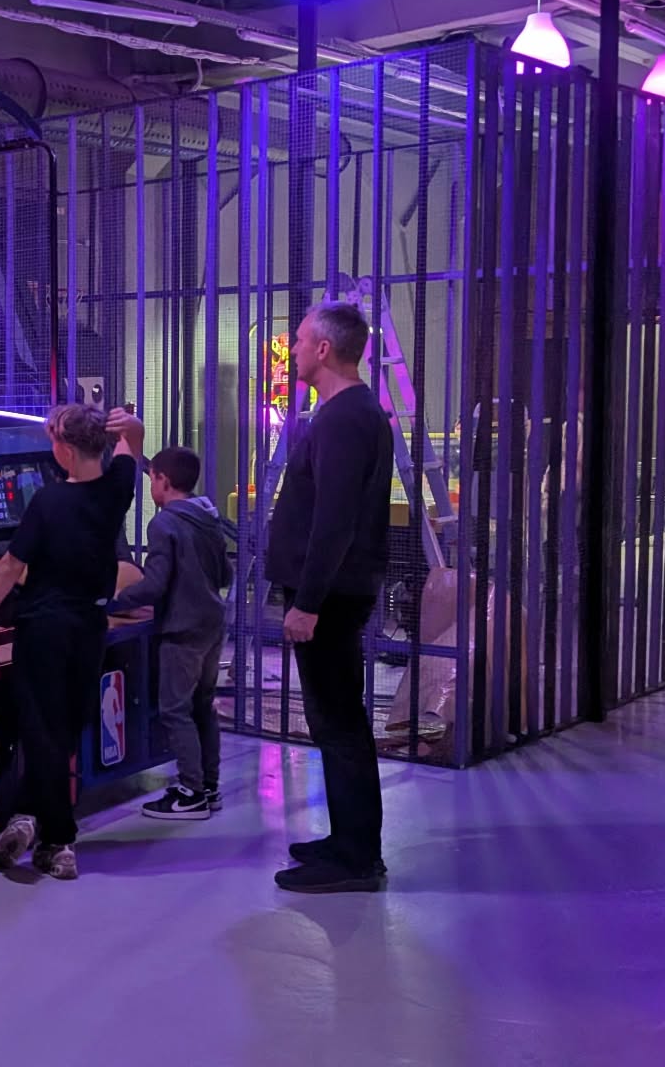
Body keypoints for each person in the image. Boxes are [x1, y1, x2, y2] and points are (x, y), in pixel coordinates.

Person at [0, 404, 140, 880]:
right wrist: (131, 428)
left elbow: (10, 565)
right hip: (90, 627)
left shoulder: (48, 501)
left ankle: (60, 841)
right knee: (63, 730)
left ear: (65, 450)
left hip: (44, 629)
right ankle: (26, 819)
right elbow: (131, 447)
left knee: (41, 731)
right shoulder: (117, 488)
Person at [266, 301, 394, 894]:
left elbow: (334, 520)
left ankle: (356, 858)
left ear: (323, 348)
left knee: (338, 722)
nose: (292, 349)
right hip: (337, 591)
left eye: (298, 340)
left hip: (331, 596)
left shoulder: (344, 418)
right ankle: (348, 841)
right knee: (336, 720)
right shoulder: (352, 412)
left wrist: (309, 601)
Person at [108, 446, 234, 821]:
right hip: (212, 623)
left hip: (182, 629)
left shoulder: (164, 524)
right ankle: (208, 786)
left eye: (151, 479)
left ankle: (191, 793)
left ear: (163, 480)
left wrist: (112, 601)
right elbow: (225, 574)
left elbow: (154, 585)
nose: (151, 487)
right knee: (202, 706)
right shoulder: (207, 517)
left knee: (175, 710)